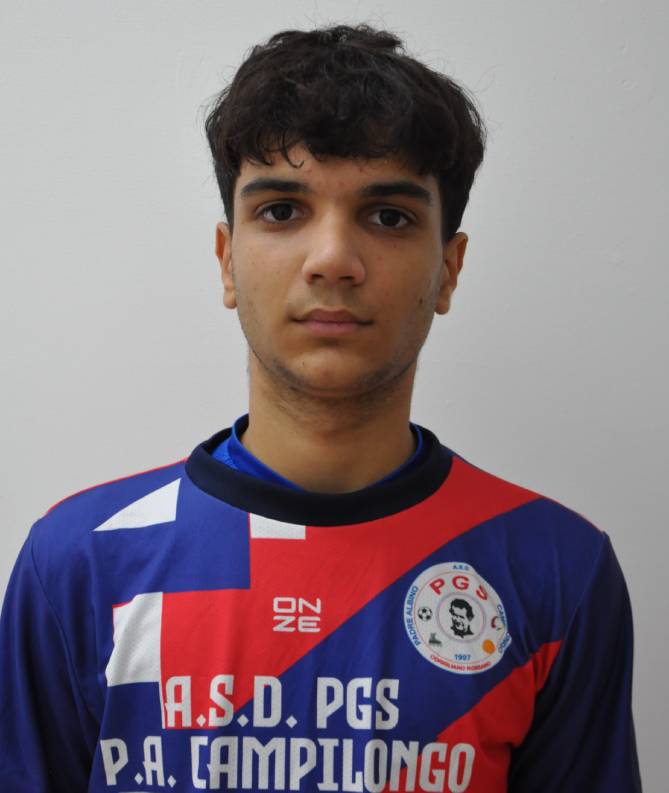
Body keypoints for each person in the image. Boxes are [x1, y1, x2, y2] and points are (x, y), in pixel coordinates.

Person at [0, 22, 642, 793]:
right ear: (226, 261)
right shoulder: (78, 564)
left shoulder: (555, 569)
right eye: (281, 210)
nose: (332, 258)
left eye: (388, 216)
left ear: (448, 269)